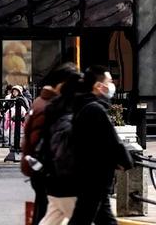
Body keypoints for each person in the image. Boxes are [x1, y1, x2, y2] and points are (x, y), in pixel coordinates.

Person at [69, 66, 133, 225]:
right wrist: (125, 160)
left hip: (90, 171)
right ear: (98, 86)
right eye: (109, 81)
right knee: (84, 215)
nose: (112, 85)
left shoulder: (84, 106)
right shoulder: (95, 109)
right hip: (94, 173)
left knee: (101, 216)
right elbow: (111, 139)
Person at [23, 63, 82, 225]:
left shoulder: (42, 102)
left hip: (43, 170)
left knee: (49, 215)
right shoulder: (51, 106)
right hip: (50, 171)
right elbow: (42, 141)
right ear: (63, 85)